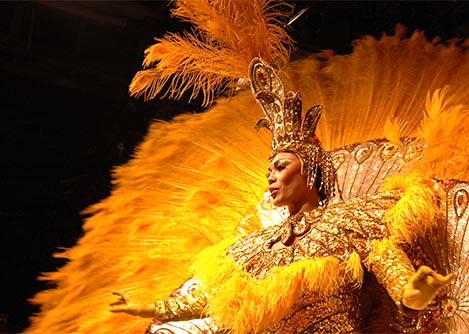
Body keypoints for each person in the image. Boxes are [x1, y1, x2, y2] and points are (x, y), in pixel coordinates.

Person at [110, 58, 453, 333]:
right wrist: (153, 308)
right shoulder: (256, 246)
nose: (270, 176)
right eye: (269, 170)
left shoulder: (354, 222)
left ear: (311, 169)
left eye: (280, 166)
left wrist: (413, 293)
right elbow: (215, 300)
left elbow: (396, 277)